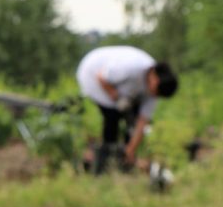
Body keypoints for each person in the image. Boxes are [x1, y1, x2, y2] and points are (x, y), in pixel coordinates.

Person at [76, 45, 178, 174]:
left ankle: (125, 159)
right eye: (155, 91)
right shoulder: (132, 67)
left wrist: (131, 148)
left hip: (124, 91)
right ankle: (106, 161)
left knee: (131, 123)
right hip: (92, 74)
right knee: (112, 117)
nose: (154, 95)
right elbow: (101, 77)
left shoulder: (155, 91)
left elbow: (142, 121)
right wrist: (115, 96)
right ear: (155, 79)